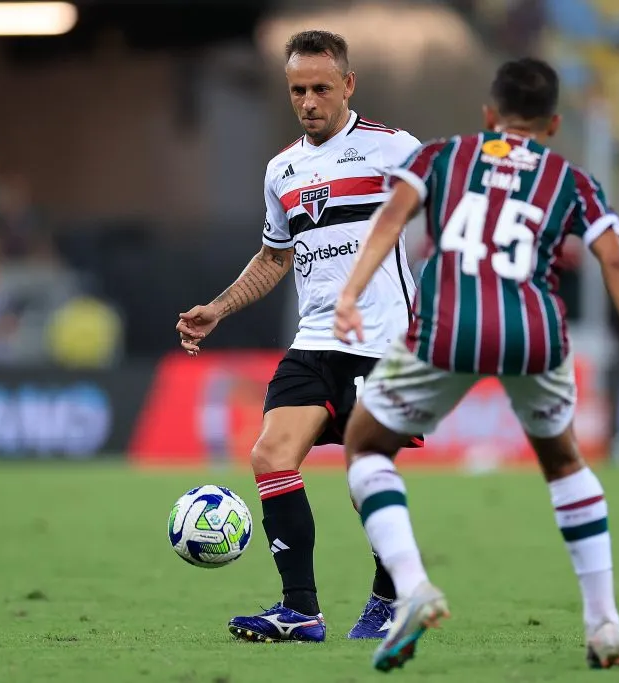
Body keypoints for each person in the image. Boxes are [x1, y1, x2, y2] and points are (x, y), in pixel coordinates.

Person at [332, 57, 619, 672]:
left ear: (489, 114)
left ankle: (413, 589)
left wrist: (352, 293)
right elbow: (618, 263)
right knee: (564, 462)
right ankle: (604, 623)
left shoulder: (441, 156)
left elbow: (390, 219)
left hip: (448, 328)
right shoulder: (570, 179)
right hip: (535, 333)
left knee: (363, 446)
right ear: (552, 124)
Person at [175, 30, 423, 643]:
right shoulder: (281, 169)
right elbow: (273, 257)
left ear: (348, 85)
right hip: (316, 339)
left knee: (367, 473)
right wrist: (219, 308)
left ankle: (391, 600)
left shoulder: (394, 150)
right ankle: (302, 612)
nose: (308, 101)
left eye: (320, 87)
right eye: (297, 90)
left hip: (383, 340)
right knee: (269, 456)